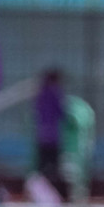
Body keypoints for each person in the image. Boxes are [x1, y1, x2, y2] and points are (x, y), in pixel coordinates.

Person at [33, 68, 66, 199]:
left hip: (42, 136)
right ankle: (52, 195)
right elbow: (62, 113)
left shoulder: (40, 94)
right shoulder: (56, 93)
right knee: (53, 168)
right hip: (53, 137)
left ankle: (41, 195)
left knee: (41, 167)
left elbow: (36, 112)